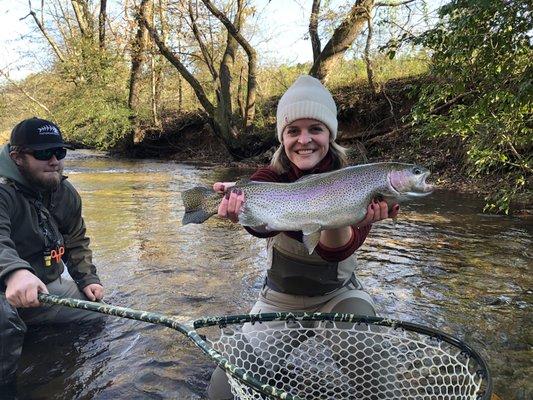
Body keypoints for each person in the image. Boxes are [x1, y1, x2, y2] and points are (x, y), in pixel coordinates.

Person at [207, 75, 399, 399]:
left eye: (316, 129)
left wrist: (343, 214)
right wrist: (238, 209)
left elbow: (335, 251)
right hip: (277, 301)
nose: (304, 139)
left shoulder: (359, 181)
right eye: (293, 130)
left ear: (330, 135)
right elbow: (259, 227)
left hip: (338, 297)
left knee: (375, 378)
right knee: (222, 391)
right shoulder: (270, 178)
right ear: (282, 137)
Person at [0, 117, 104, 391]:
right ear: (17, 157)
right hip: (4, 287)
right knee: (6, 325)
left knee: (96, 314)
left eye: (59, 152)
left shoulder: (64, 192)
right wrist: (14, 271)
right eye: (43, 153)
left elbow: (75, 238)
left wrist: (87, 278)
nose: (54, 160)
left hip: (43, 286)